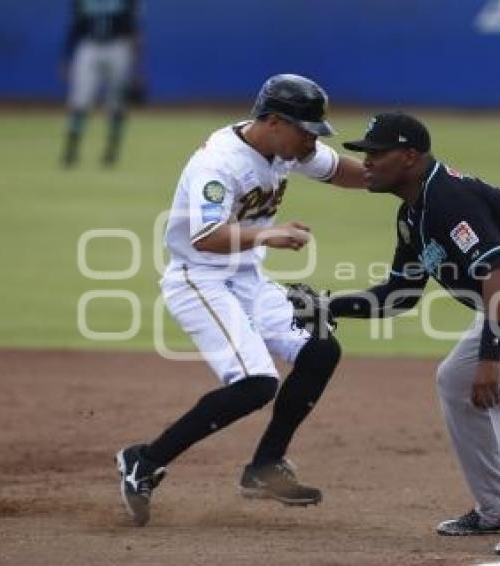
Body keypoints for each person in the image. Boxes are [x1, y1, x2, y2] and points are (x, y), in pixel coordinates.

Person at [326, 112, 500, 556]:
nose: (366, 162)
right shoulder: (412, 214)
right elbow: (401, 294)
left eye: (375, 153)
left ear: (408, 157)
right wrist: (330, 305)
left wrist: (489, 357)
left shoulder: (448, 197)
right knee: (455, 381)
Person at [115, 74, 366, 526]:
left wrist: (400, 180)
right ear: (272, 121)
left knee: (320, 349)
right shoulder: (222, 163)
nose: (311, 141)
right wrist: (270, 233)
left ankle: (265, 466)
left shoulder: (283, 146)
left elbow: (341, 171)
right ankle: (144, 460)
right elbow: (207, 237)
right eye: (305, 131)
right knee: (255, 384)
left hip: (247, 277)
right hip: (200, 278)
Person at [60, 0, 143, 167]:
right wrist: (66, 56)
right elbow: (76, 24)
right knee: (80, 100)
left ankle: (111, 152)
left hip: (118, 44)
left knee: (116, 102)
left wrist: (137, 62)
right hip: (89, 44)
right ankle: (71, 150)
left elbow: (134, 25)